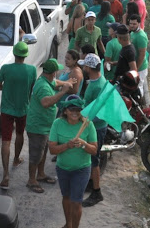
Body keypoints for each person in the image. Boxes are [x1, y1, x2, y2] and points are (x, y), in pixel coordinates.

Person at [25, 59, 76, 194]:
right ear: (53, 73)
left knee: (43, 151)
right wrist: (63, 91)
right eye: (56, 72)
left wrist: (66, 83)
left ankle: (40, 174)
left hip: (45, 125)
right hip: (37, 127)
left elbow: (56, 82)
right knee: (36, 154)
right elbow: (46, 103)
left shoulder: (47, 80)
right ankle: (31, 180)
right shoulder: (43, 86)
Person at [49, 95, 98, 228]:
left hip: (82, 169)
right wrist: (67, 145)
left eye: (78, 109)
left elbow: (94, 150)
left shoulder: (88, 124)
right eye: (72, 109)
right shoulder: (57, 124)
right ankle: (68, 224)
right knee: (66, 197)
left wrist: (83, 144)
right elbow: (52, 150)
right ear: (65, 111)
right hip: (62, 168)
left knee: (76, 202)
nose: (75, 112)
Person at [0, 41, 37, 190]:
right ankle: (16, 159)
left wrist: (8, 86)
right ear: (26, 55)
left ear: (14, 53)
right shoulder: (32, 70)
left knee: (6, 140)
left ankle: (5, 175)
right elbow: (32, 88)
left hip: (7, 109)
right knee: (20, 134)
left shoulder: (5, 68)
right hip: (23, 108)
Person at [78, 53, 107, 207]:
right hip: (93, 125)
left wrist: (84, 119)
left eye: (84, 65)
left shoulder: (98, 86)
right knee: (91, 159)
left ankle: (97, 192)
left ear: (89, 67)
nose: (83, 67)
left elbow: (99, 111)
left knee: (94, 160)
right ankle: (91, 183)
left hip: (96, 127)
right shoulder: (96, 81)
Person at [128, 14, 150, 106]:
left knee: (139, 87)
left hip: (140, 67)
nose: (132, 26)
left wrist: (136, 69)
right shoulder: (132, 33)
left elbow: (142, 54)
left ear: (139, 23)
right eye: (131, 24)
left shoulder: (141, 36)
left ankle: (139, 106)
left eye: (134, 24)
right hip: (135, 65)